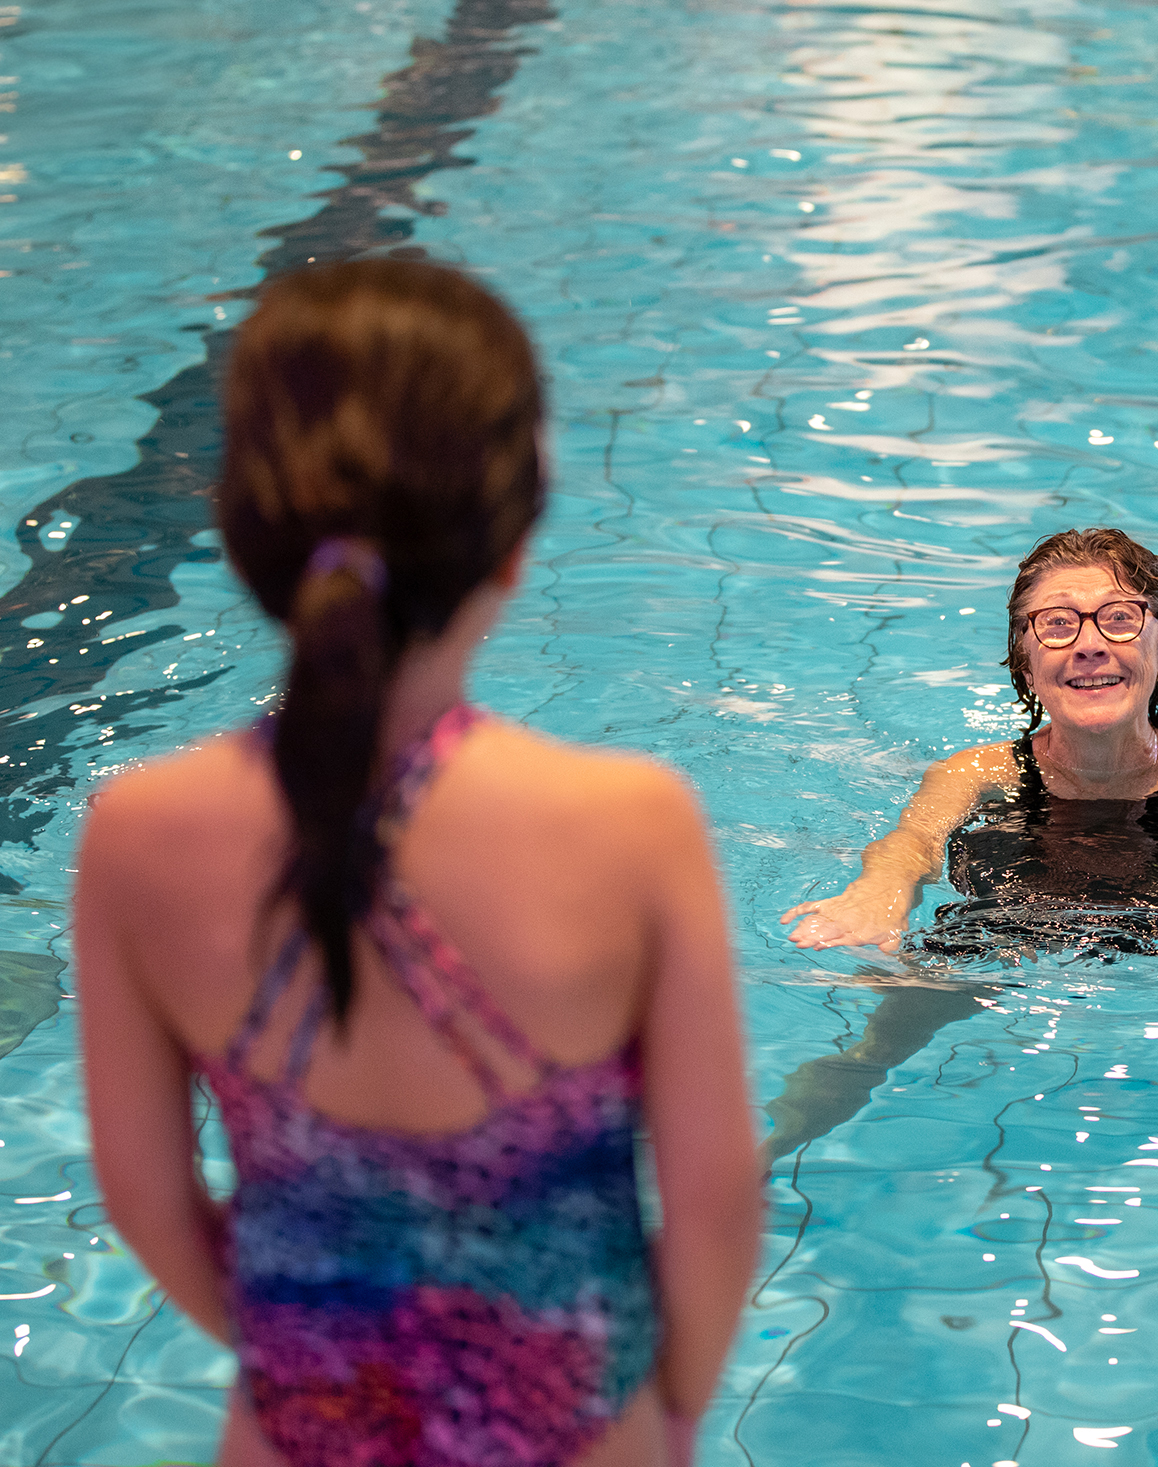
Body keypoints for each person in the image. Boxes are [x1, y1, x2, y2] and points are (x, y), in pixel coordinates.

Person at [75, 261, 756, 1467]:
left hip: (294, 1430)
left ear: (244, 530)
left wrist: (319, 1351)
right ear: (514, 541)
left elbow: (145, 1196)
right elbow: (712, 1207)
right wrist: (673, 1413)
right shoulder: (626, 822)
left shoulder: (137, 834)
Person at [780, 527, 1158, 963]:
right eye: (1056, 624)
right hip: (991, 942)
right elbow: (912, 843)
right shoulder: (974, 773)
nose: (1088, 646)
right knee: (880, 1024)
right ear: (1025, 664)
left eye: (1119, 619)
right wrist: (878, 890)